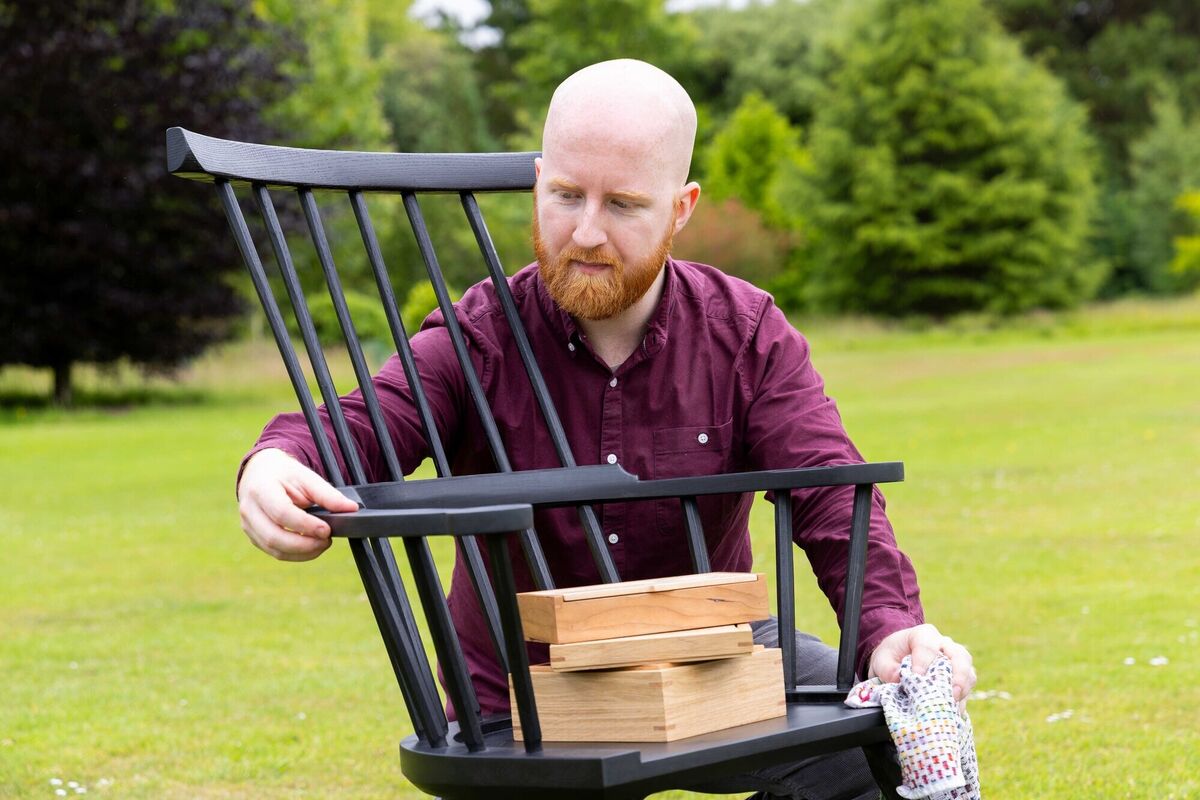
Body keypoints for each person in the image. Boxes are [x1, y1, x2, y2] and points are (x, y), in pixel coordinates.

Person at [236, 59, 976, 800]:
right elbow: (366, 418)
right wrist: (276, 461)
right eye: (564, 195)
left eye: (622, 204)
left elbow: (829, 493)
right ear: (537, 181)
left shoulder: (745, 331)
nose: (584, 233)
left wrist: (888, 628)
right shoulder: (482, 335)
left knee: (886, 738)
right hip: (523, 695)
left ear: (680, 208)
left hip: (713, 659)